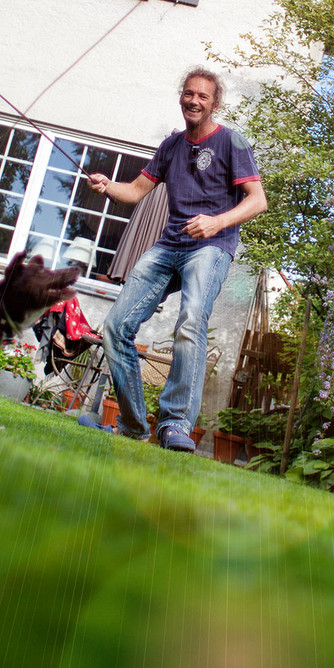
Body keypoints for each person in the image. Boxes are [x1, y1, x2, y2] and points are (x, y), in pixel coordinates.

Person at [82, 67, 267, 451]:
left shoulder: (232, 143)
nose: (194, 101)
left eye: (202, 96)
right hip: (170, 246)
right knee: (116, 326)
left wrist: (216, 223)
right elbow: (135, 191)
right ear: (181, 97)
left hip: (210, 247)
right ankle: (134, 426)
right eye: (188, 93)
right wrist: (106, 187)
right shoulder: (171, 146)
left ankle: (175, 424)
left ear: (215, 103)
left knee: (190, 320)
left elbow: (257, 200)